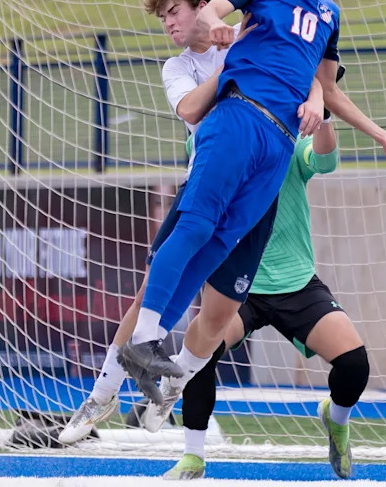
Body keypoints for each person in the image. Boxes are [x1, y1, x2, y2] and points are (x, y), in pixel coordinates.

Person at [118, 0, 386, 424]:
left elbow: (326, 89)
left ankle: (155, 362)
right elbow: (212, 16)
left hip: (278, 150)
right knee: (196, 231)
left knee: (219, 248)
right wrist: (219, 28)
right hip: (237, 122)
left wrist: (380, 133)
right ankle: (141, 351)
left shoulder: (328, 13)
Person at [59, 0, 316, 441]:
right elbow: (192, 109)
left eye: (174, 12)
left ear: (204, 7)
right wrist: (233, 65)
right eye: (162, 18)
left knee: (219, 313)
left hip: (261, 186)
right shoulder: (177, 67)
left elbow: (312, 70)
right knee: (150, 293)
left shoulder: (250, 33)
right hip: (208, 178)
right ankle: (101, 395)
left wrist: (315, 96)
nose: (169, 24)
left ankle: (171, 387)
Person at [156, 67, 368, 481]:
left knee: (355, 365)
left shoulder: (290, 139)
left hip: (294, 281)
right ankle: (193, 456)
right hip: (236, 282)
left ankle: (336, 418)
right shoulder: (216, 137)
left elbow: (325, 159)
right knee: (201, 353)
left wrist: (323, 107)